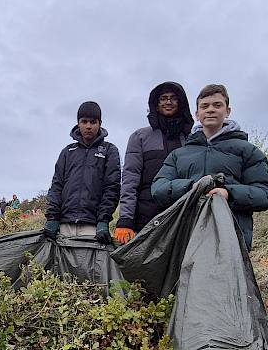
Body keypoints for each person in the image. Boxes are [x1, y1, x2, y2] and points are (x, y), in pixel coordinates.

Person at [152, 85, 268, 250]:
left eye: (217, 105)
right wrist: (191, 187)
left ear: (228, 111)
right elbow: (158, 189)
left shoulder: (247, 151)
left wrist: (228, 193)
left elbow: (266, 194)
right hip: (185, 239)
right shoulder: (179, 154)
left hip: (230, 241)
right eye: (204, 106)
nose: (210, 110)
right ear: (197, 114)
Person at [116, 82, 194, 244]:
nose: (168, 102)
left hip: (184, 218)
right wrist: (125, 219)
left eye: (173, 98)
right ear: (156, 105)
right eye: (163, 99)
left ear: (180, 103)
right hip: (145, 220)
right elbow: (130, 179)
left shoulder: (192, 139)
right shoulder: (140, 137)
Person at [43, 101, 121, 244]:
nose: (88, 126)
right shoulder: (67, 151)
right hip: (64, 226)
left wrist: (103, 221)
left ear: (100, 123)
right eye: (84, 121)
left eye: (93, 122)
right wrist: (52, 218)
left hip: (92, 228)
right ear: (78, 123)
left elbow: (112, 188)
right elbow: (57, 186)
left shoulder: (110, 150)